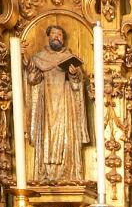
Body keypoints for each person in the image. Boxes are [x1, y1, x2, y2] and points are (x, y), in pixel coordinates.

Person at [25, 24, 90, 184]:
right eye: (53, 34)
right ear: (48, 37)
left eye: (59, 35)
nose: (56, 37)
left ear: (63, 39)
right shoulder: (39, 58)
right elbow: (32, 80)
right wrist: (29, 66)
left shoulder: (69, 57)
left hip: (66, 105)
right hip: (46, 105)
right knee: (46, 136)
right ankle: (46, 175)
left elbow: (77, 85)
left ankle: (67, 173)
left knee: (67, 135)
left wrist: (74, 74)